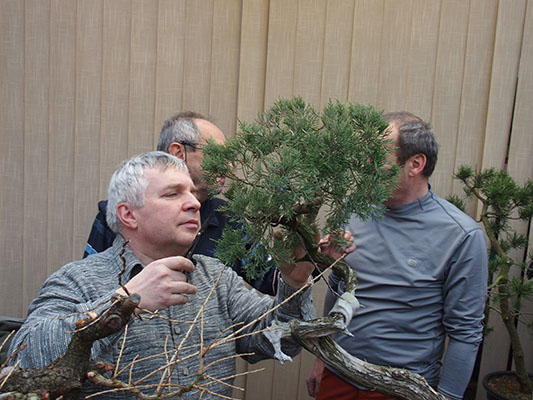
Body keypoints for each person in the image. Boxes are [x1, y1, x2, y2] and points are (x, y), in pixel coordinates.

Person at [8, 151, 328, 399]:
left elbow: (279, 342)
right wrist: (123, 302)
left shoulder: (215, 277)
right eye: (173, 194)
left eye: (192, 193)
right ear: (128, 214)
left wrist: (294, 282)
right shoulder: (78, 280)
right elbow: (27, 362)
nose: (193, 204)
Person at [306, 112, 488, 400]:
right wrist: (323, 357)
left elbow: (465, 332)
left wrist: (447, 397)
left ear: (415, 164)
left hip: (402, 387)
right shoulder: (354, 210)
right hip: (339, 373)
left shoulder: (461, 236)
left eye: (376, 156)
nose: (364, 165)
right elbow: (338, 288)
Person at [83, 112, 278, 295]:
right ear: (178, 152)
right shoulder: (120, 216)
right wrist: (128, 299)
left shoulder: (228, 218)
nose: (229, 166)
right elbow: (90, 290)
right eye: (218, 154)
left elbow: (275, 282)